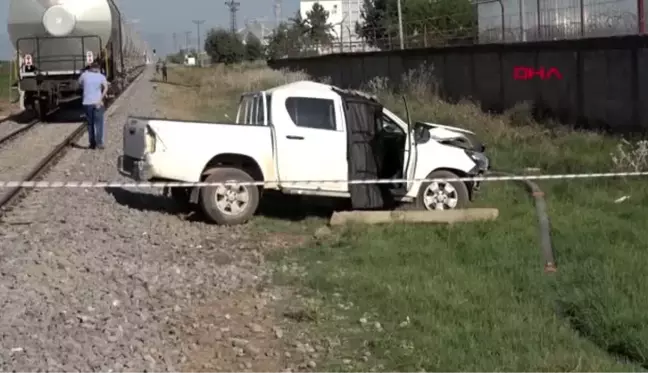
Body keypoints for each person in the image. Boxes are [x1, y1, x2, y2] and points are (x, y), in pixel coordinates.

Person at [78, 61, 109, 149]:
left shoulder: (84, 75)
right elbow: (106, 87)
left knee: (90, 124)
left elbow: (79, 84)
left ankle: (92, 144)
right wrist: (101, 99)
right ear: (98, 68)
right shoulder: (101, 76)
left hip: (87, 103)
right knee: (99, 124)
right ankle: (100, 143)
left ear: (90, 68)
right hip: (97, 103)